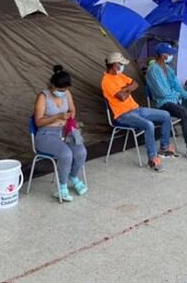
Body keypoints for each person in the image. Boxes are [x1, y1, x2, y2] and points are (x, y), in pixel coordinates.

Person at [101, 52, 177, 172]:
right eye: (121, 64)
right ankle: (152, 159)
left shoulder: (120, 76)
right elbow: (122, 97)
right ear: (115, 65)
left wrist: (125, 89)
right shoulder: (106, 81)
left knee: (165, 115)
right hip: (123, 115)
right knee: (149, 125)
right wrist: (127, 90)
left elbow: (135, 84)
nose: (122, 66)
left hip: (136, 109)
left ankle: (164, 147)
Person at [33, 65, 89, 201]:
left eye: (65, 90)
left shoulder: (66, 93)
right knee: (66, 154)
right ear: (52, 85)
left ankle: (73, 177)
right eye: (60, 90)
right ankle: (62, 188)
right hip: (46, 135)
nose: (63, 92)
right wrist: (57, 117)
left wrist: (70, 116)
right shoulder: (42, 97)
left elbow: (73, 109)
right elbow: (38, 122)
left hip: (65, 131)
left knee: (81, 152)